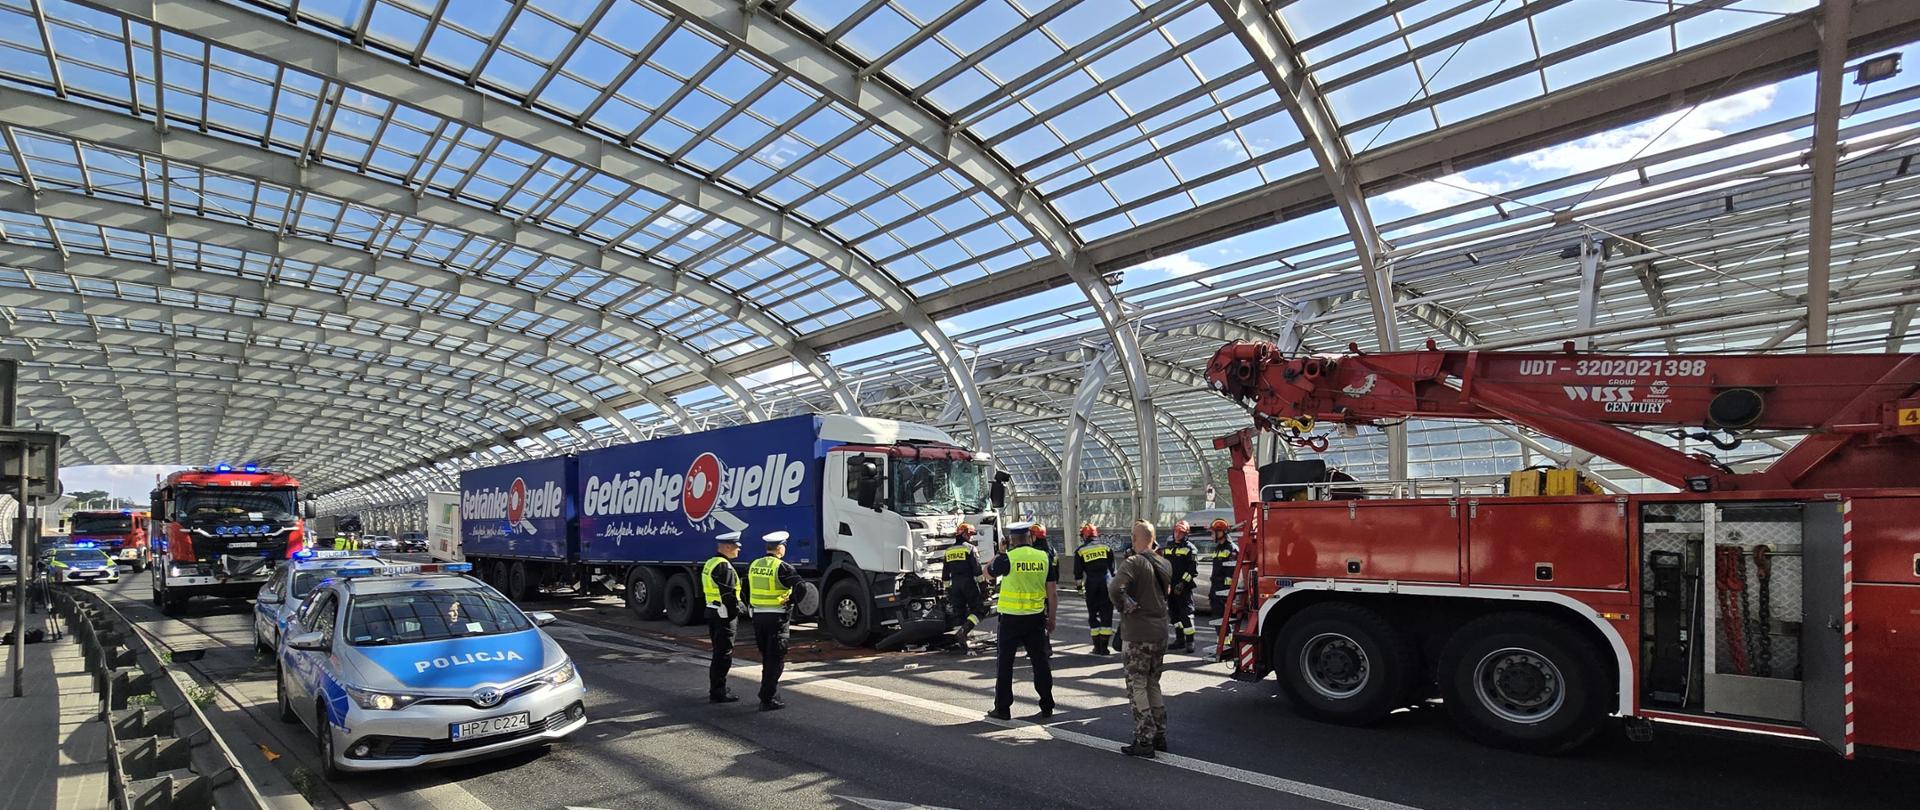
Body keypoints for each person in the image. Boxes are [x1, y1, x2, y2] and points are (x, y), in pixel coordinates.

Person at [1111, 520, 1172, 757]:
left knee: (1137, 684)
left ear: (1135, 539)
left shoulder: (1133, 562)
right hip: (1160, 632)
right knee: (1153, 682)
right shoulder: (1165, 563)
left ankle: (1144, 739)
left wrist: (1125, 604)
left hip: (1138, 634)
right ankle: (1159, 735)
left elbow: (1115, 588)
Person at [985, 521, 1057, 720]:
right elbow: (1052, 593)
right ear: (1030, 538)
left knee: (1005, 664)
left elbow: (987, 573)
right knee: (1040, 662)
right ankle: (1047, 704)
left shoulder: (1007, 558)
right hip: (1036, 619)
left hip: (1010, 620)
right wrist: (1051, 618)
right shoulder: (1044, 557)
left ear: (1010, 540)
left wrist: (1000, 552)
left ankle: (1003, 708)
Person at [746, 531, 802, 710]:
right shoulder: (783, 567)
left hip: (758, 618)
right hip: (777, 618)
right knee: (776, 659)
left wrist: (751, 604)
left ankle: (768, 693)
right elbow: (801, 587)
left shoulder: (753, 565)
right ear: (780, 548)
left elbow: (744, 587)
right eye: (784, 546)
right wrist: (792, 600)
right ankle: (767, 698)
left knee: (766, 658)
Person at [702, 532, 745, 703]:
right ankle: (718, 692)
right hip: (724, 615)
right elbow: (728, 595)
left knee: (718, 653)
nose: (739, 549)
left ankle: (717, 688)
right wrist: (738, 610)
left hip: (712, 611)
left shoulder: (711, 562)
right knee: (723, 655)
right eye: (736, 546)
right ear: (727, 547)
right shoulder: (724, 566)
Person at [943, 523, 987, 653]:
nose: (971, 537)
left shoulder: (948, 551)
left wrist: (948, 591)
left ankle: (962, 640)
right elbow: (977, 571)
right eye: (970, 534)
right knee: (979, 610)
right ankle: (964, 632)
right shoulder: (970, 549)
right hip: (969, 584)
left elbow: (945, 574)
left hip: (955, 586)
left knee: (960, 613)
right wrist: (984, 588)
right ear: (963, 534)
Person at [1075, 522, 1116, 655]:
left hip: (1091, 585)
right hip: (1106, 584)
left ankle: (1096, 647)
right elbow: (1113, 570)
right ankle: (1104, 648)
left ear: (1084, 536)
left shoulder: (1081, 551)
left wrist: (1080, 589)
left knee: (1093, 614)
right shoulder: (1107, 548)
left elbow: (1078, 573)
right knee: (1106, 613)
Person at [1165, 520, 1199, 652]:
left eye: (1181, 532)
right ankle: (1180, 640)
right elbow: (1165, 565)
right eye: (1176, 531)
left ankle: (1190, 642)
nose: (1178, 534)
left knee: (1186, 614)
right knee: (1174, 614)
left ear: (1186, 534)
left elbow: (1192, 571)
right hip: (1171, 586)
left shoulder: (1190, 549)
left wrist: (1183, 583)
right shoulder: (1169, 546)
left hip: (1184, 588)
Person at [1207, 518, 1238, 623]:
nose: (1211, 535)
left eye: (1212, 532)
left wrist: (1226, 592)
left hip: (1223, 589)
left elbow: (1231, 573)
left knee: (1223, 618)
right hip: (1216, 587)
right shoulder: (1218, 548)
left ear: (1220, 532)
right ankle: (1221, 639)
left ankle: (1225, 639)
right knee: (1217, 617)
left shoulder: (1231, 549)